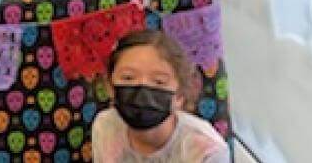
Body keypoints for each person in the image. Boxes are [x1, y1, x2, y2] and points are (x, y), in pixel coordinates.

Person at [92, 30, 230, 162]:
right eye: (128, 77)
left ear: (180, 95)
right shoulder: (105, 126)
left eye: (159, 81)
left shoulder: (207, 152)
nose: (142, 93)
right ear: (110, 86)